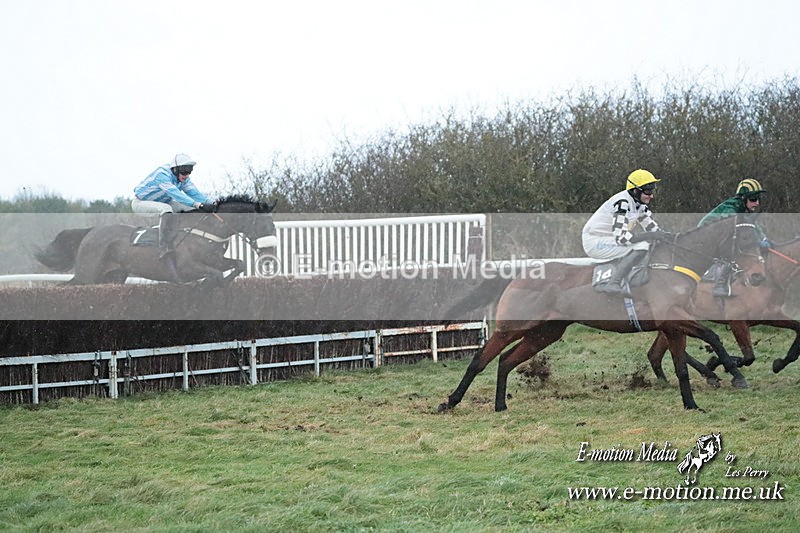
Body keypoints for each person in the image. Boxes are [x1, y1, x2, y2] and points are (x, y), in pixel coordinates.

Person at [582, 169, 671, 297]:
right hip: (595, 242)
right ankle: (613, 283)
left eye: (652, 191)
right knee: (642, 245)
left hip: (607, 239)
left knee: (649, 243)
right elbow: (622, 238)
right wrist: (650, 236)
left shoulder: (639, 204)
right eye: (648, 191)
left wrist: (672, 238)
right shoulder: (622, 203)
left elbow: (653, 229)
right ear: (635, 190)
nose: (651, 196)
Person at [131, 154, 216, 281]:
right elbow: (175, 194)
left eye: (189, 172)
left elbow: (194, 194)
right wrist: (197, 204)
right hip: (141, 203)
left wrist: (211, 204)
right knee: (167, 210)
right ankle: (164, 246)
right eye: (184, 172)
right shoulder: (162, 174)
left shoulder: (184, 179)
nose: (187, 175)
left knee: (191, 209)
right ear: (175, 169)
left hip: (164, 202)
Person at [698, 178, 769, 297]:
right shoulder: (731, 208)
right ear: (743, 198)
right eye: (753, 199)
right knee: (731, 251)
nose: (757, 203)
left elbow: (751, 225)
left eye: (758, 199)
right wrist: (757, 242)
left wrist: (764, 239)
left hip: (717, 235)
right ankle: (719, 286)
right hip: (704, 236)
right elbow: (734, 224)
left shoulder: (743, 209)